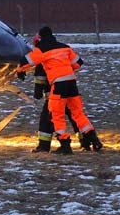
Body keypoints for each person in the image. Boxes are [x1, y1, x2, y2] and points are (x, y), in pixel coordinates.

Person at [17, 26, 102, 154]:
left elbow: (26, 61)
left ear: (40, 37)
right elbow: (78, 63)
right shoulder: (65, 47)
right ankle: (93, 139)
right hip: (72, 83)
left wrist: (19, 70)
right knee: (77, 113)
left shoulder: (41, 49)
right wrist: (65, 68)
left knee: (56, 114)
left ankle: (65, 144)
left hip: (58, 85)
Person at [28, 34, 82, 153]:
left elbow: (40, 78)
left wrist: (37, 92)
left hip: (55, 95)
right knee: (76, 116)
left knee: (48, 119)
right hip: (70, 91)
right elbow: (76, 64)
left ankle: (44, 145)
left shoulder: (43, 56)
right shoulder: (61, 52)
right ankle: (87, 140)